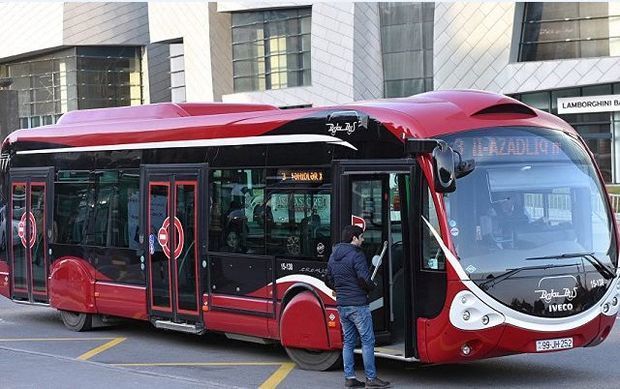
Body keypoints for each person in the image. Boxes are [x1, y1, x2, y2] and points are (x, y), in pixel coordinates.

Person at [326, 225, 390, 388]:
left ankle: (350, 377)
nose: (362, 240)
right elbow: (364, 279)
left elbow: (328, 279)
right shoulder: (356, 255)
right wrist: (372, 286)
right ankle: (371, 378)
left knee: (348, 341)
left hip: (342, 304)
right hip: (358, 305)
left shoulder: (334, 255)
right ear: (354, 238)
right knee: (367, 341)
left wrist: (339, 289)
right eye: (361, 237)